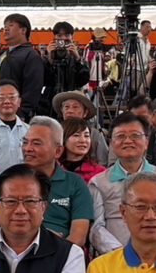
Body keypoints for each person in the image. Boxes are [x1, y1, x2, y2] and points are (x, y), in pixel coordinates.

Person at [89, 113, 156, 255]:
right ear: (112, 143)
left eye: (135, 136)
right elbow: (96, 227)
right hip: (114, 257)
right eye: (120, 136)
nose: (128, 141)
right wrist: (122, 253)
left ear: (146, 142)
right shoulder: (98, 182)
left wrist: (152, 247)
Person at [21, 116, 93, 247]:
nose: (28, 148)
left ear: (58, 151)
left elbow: (78, 237)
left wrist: (54, 250)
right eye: (25, 142)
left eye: (36, 143)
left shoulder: (75, 183)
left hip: (61, 252)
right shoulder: (11, 180)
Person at [0, 13, 45, 119]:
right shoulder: (3, 54)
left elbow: (33, 88)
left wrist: (22, 112)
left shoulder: (31, 55)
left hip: (15, 115)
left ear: (23, 30)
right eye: (4, 27)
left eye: (10, 25)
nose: (6, 29)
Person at [42, 21, 90, 111]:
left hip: (71, 101)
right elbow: (44, 81)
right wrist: (49, 60)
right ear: (54, 38)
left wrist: (77, 59)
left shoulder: (76, 57)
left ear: (72, 38)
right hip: (50, 104)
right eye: (59, 36)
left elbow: (83, 80)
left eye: (67, 35)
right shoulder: (48, 56)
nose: (63, 39)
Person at [52, 90, 110, 165]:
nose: (70, 111)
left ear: (85, 113)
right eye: (66, 107)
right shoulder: (54, 133)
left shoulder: (95, 135)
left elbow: (103, 162)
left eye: (75, 107)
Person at [60, 117, 106, 183]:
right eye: (76, 135)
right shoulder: (52, 170)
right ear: (63, 138)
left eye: (86, 136)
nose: (83, 140)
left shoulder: (100, 173)